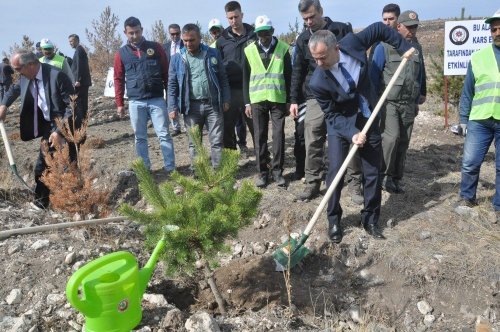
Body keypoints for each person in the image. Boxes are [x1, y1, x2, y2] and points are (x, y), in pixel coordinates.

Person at [307, 24, 413, 242]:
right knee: (336, 171)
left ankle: (370, 219)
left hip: (368, 115)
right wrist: (352, 133)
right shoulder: (318, 81)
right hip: (341, 124)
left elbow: (379, 29)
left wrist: (403, 47)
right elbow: (331, 115)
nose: (319, 63)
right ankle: (334, 219)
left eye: (322, 57)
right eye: (315, 58)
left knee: (373, 170)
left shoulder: (353, 43)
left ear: (336, 48)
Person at [289, 0, 355, 202]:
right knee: (313, 138)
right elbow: (297, 71)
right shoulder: (302, 40)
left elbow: (355, 59)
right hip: (314, 95)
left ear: (321, 12)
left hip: (343, 93)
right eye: (305, 19)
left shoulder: (341, 30)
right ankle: (312, 183)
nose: (309, 22)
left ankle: (354, 183)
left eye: (311, 17)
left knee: (350, 136)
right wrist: (293, 100)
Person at [0, 50, 75, 209]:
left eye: (18, 69)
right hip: (49, 126)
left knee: (69, 166)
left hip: (66, 126)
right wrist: (4, 105)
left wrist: (60, 132)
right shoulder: (26, 77)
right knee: (42, 166)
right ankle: (41, 203)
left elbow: (73, 107)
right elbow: (14, 89)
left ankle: (75, 205)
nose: (17, 73)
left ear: (32, 65)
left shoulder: (57, 76)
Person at [371, 10, 426, 194]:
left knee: (403, 141)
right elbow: (373, 76)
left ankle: (396, 177)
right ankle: (383, 176)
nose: (412, 31)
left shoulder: (416, 49)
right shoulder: (384, 47)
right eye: (409, 27)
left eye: (415, 27)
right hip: (390, 103)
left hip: (409, 103)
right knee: (391, 139)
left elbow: (419, 75)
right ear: (399, 26)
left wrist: (418, 98)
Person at [114, 16, 175, 173]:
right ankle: (146, 169)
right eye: (131, 33)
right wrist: (119, 104)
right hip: (136, 102)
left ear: (142, 29)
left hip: (157, 100)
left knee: (164, 134)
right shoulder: (121, 54)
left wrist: (170, 99)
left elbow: (166, 74)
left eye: (137, 32)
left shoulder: (155, 48)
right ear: (125, 33)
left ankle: (170, 168)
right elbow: (118, 79)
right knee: (140, 137)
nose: (134, 36)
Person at [456, 9, 500, 220]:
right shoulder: (479, 57)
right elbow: (468, 92)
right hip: (480, 120)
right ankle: (467, 197)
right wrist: (463, 120)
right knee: (470, 162)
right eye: (494, 29)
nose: (497, 32)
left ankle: (498, 206)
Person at [168, 24, 230, 169]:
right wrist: (172, 107)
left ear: (200, 38)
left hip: (213, 105)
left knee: (216, 141)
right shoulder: (177, 59)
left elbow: (223, 78)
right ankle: (198, 172)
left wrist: (226, 99)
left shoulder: (212, 53)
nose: (188, 44)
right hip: (191, 107)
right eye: (185, 41)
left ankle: (218, 172)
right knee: (194, 142)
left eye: (192, 40)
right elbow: (172, 85)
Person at [243, 15, 292, 187]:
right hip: (257, 100)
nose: (262, 36)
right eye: (259, 33)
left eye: (265, 32)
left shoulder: (283, 49)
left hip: (278, 99)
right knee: (259, 136)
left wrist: (289, 101)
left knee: (278, 136)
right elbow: (245, 78)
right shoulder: (248, 51)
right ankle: (262, 172)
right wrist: (247, 102)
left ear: (272, 31)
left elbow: (289, 76)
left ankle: (278, 172)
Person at [216, 1, 256, 157]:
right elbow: (218, 66)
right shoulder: (222, 40)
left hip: (252, 89)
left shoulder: (254, 34)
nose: (234, 21)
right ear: (227, 18)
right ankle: (231, 161)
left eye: (236, 17)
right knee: (228, 128)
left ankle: (262, 161)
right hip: (230, 90)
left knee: (256, 126)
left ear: (242, 15)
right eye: (230, 18)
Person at [163, 23, 185, 137]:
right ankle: (176, 127)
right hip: (169, 78)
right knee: (171, 101)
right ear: (169, 34)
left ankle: (187, 126)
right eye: (172, 34)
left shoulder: (186, 44)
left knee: (184, 99)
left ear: (180, 33)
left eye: (177, 34)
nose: (175, 36)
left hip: (183, 77)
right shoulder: (164, 47)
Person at [68, 34, 92, 121]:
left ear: (77, 40)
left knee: (80, 102)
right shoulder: (79, 50)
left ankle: (83, 120)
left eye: (72, 41)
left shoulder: (79, 50)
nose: (70, 43)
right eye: (69, 41)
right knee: (81, 101)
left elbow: (79, 66)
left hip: (81, 82)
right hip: (83, 81)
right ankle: (83, 120)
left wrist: (78, 80)